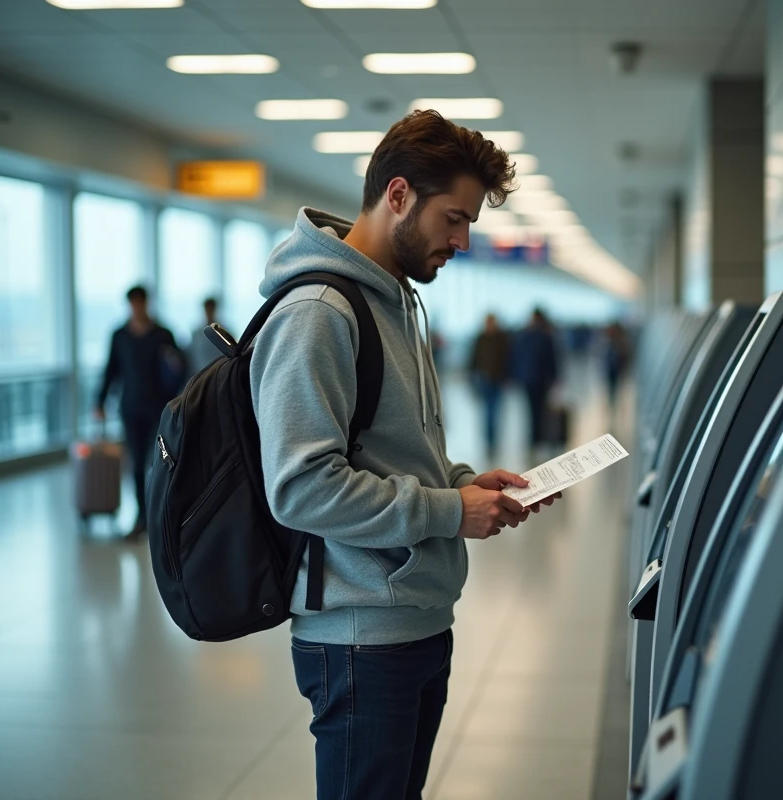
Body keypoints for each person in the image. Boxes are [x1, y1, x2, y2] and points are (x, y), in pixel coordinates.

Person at [248, 110, 558, 800]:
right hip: (361, 634)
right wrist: (450, 511)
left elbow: (400, 452)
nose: (463, 238)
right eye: (454, 217)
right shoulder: (320, 312)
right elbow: (300, 487)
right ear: (397, 196)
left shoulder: (395, 303)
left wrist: (470, 485)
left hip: (414, 616)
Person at [94, 285, 183, 538]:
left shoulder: (163, 334)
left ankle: (163, 515)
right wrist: (99, 401)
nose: (137, 308)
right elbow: (111, 369)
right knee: (135, 465)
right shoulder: (120, 335)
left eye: (141, 303)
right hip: (131, 409)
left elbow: (177, 369)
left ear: (146, 303)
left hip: (159, 408)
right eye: (133, 303)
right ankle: (142, 517)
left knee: (159, 462)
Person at [510, 308, 560, 456]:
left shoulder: (524, 336)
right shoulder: (546, 336)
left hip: (528, 379)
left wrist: (516, 376)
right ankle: (536, 439)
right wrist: (555, 378)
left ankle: (534, 439)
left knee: (532, 411)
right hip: (540, 380)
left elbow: (516, 358)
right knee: (538, 411)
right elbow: (552, 360)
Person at [468, 313, 510, 456]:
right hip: (484, 379)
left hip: (497, 380)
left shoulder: (501, 338)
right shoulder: (481, 338)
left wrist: (506, 376)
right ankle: (489, 441)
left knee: (494, 410)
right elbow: (474, 357)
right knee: (487, 411)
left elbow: (507, 358)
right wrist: (472, 375)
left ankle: (493, 440)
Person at [602, 321, 631, 409]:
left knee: (616, 392)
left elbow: (624, 358)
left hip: (616, 371)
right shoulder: (610, 343)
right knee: (612, 392)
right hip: (611, 371)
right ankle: (612, 408)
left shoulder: (620, 344)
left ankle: (615, 408)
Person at [187, 297, 220, 374]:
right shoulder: (197, 333)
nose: (209, 313)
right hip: (200, 372)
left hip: (217, 373)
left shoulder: (223, 332)